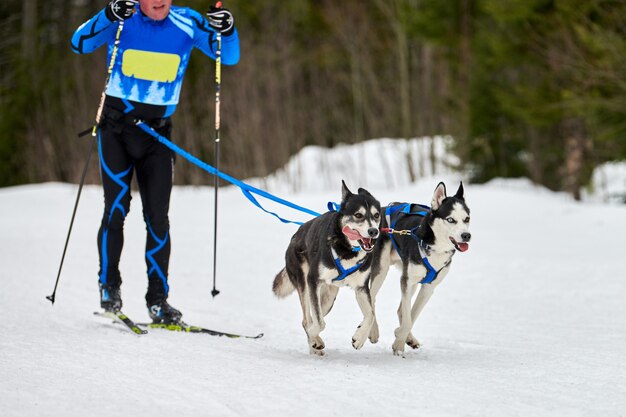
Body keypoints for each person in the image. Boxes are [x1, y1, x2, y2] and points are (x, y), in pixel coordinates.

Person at [71, 0, 240, 324]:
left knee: (158, 220)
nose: (159, 1)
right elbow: (78, 43)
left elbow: (228, 57)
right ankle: (109, 286)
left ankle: (158, 300)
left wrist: (228, 30)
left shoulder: (187, 22)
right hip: (116, 132)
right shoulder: (122, 19)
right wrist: (107, 14)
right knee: (116, 210)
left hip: (158, 139)